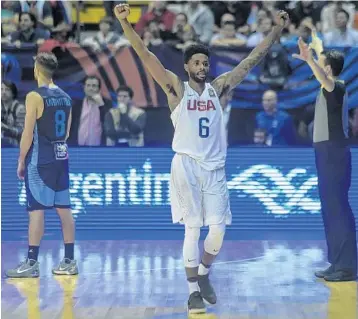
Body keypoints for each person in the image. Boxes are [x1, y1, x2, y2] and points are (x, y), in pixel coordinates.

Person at [114, 3, 288, 314]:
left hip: (215, 168)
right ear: (187, 66)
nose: (203, 66)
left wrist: (275, 31)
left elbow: (250, 61)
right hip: (186, 166)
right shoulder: (176, 90)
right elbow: (145, 55)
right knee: (192, 229)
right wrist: (126, 24)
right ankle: (193, 290)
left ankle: (205, 273)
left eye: (206, 62)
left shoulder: (218, 89)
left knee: (218, 231)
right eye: (197, 62)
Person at [5, 52, 78, 278]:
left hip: (40, 159)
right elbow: (66, 133)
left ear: (37, 69)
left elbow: (27, 134)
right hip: (61, 158)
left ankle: (32, 262)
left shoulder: (34, 96)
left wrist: (21, 160)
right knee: (64, 210)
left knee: (36, 211)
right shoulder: (66, 97)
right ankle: (69, 261)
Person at [293, 29, 357, 282]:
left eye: (322, 64)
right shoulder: (329, 88)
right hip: (325, 152)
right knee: (331, 209)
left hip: (334, 152)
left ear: (328, 69)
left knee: (337, 209)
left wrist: (309, 59)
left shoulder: (336, 87)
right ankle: (337, 262)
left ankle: (347, 267)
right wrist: (315, 51)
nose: (318, 66)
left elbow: (326, 79)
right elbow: (324, 72)